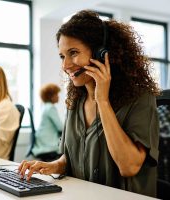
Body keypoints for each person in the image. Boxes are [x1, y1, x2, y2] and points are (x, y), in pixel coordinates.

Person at [18, 10, 160, 197]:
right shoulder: (76, 100)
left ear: (102, 54)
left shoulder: (140, 99)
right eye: (62, 56)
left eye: (73, 53)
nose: (65, 65)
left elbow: (129, 167)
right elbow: (73, 159)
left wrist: (102, 100)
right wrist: (53, 166)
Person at [31, 83, 63, 162]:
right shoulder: (50, 108)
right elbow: (61, 128)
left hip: (41, 143)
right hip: (48, 145)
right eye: (56, 94)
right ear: (51, 96)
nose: (58, 96)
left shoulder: (45, 107)